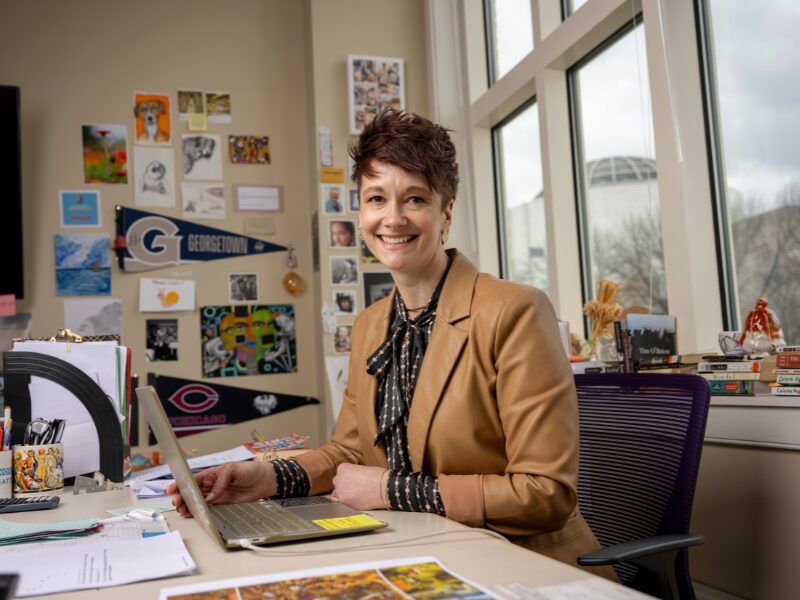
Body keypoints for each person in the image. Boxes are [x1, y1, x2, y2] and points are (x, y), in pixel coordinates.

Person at [168, 110, 606, 572]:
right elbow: (350, 452)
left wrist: (387, 490)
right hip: (414, 547)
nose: (392, 219)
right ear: (361, 213)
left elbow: (545, 494)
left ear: (446, 211)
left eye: (414, 199)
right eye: (377, 199)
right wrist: (267, 478)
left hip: (519, 563)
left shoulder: (514, 310)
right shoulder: (371, 325)